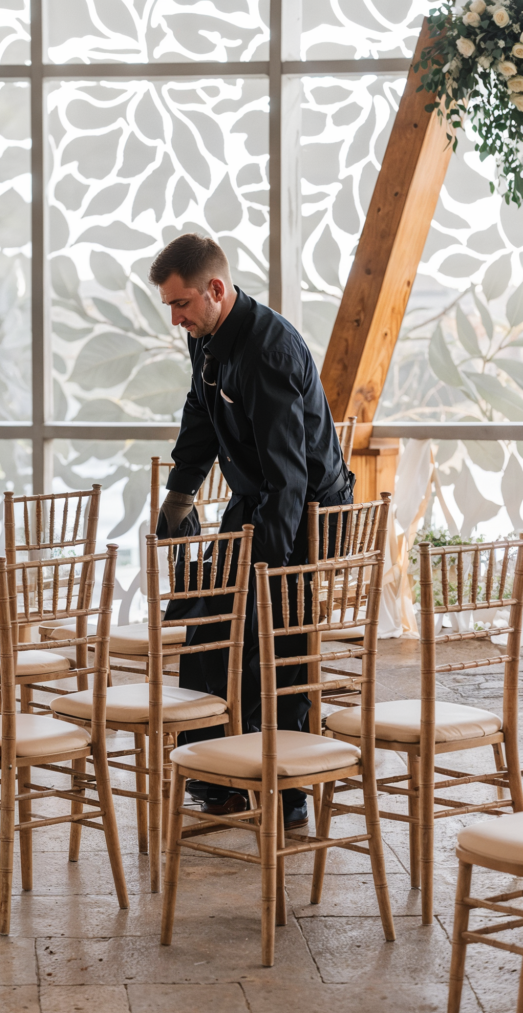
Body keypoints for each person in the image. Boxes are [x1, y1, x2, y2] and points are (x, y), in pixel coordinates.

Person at [152, 232, 354, 831]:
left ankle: (287, 793)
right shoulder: (208, 338)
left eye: (181, 304)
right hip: (257, 501)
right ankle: (219, 780)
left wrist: (258, 574)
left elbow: (290, 479)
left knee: (271, 640)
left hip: (307, 514)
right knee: (209, 627)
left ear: (215, 289)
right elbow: (200, 413)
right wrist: (180, 491)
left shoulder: (269, 351)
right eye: (169, 306)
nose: (175, 318)